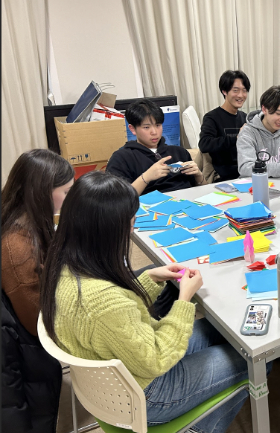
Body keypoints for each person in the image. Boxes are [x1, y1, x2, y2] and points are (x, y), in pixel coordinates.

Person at [40, 171, 260, 433]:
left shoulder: (66, 263)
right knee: (256, 358)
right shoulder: (102, 300)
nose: (132, 229)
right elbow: (155, 359)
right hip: (145, 393)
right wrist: (184, 300)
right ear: (108, 231)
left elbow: (118, 321)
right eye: (131, 223)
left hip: (120, 372)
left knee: (232, 332)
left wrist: (148, 278)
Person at [1, 148, 74, 433]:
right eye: (66, 192)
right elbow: (38, 324)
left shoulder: (29, 221)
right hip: (29, 347)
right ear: (42, 193)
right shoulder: (16, 247)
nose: (69, 198)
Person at [107, 99, 207, 195]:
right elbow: (119, 201)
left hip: (188, 205)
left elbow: (204, 191)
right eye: (146, 127)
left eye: (158, 125)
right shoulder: (121, 158)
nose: (154, 132)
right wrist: (146, 177)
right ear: (132, 129)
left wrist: (198, 175)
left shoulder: (179, 152)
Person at [199, 70, 251, 182]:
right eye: (235, 91)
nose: (241, 95)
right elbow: (204, 144)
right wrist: (236, 138)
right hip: (224, 177)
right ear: (224, 91)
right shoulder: (212, 117)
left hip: (245, 173)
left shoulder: (244, 117)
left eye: (244, 91)